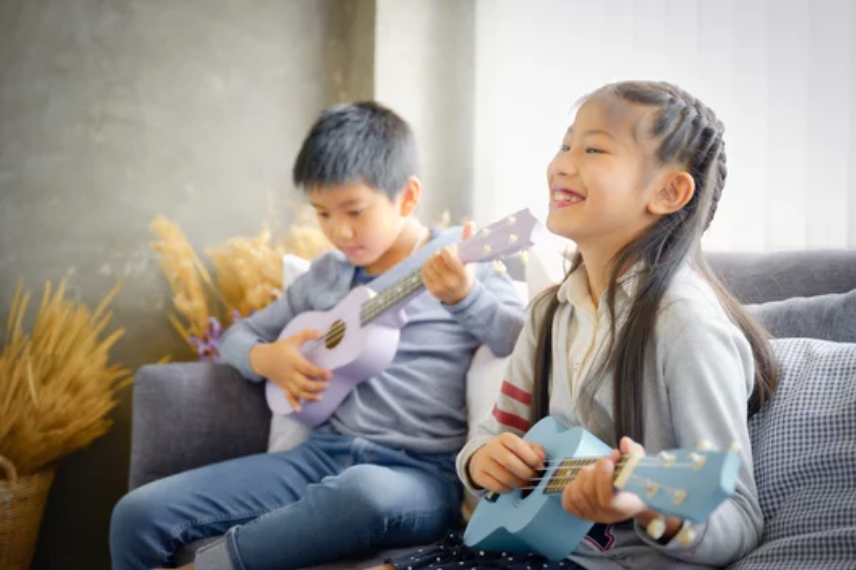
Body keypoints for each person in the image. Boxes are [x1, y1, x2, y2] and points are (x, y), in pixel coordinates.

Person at [374, 80, 779, 570]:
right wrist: (483, 462)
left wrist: (651, 507)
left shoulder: (686, 326)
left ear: (669, 191)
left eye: (593, 149)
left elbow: (736, 516)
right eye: (566, 145)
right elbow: (493, 433)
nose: (562, 164)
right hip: (522, 548)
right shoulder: (548, 313)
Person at [109, 101, 526, 570]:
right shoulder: (326, 276)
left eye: (354, 210)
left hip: (417, 474)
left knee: (361, 493)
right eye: (323, 214)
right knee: (136, 515)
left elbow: (519, 338)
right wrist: (268, 359)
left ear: (407, 197)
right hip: (320, 455)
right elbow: (236, 337)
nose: (339, 231)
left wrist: (464, 296)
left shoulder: (461, 257)